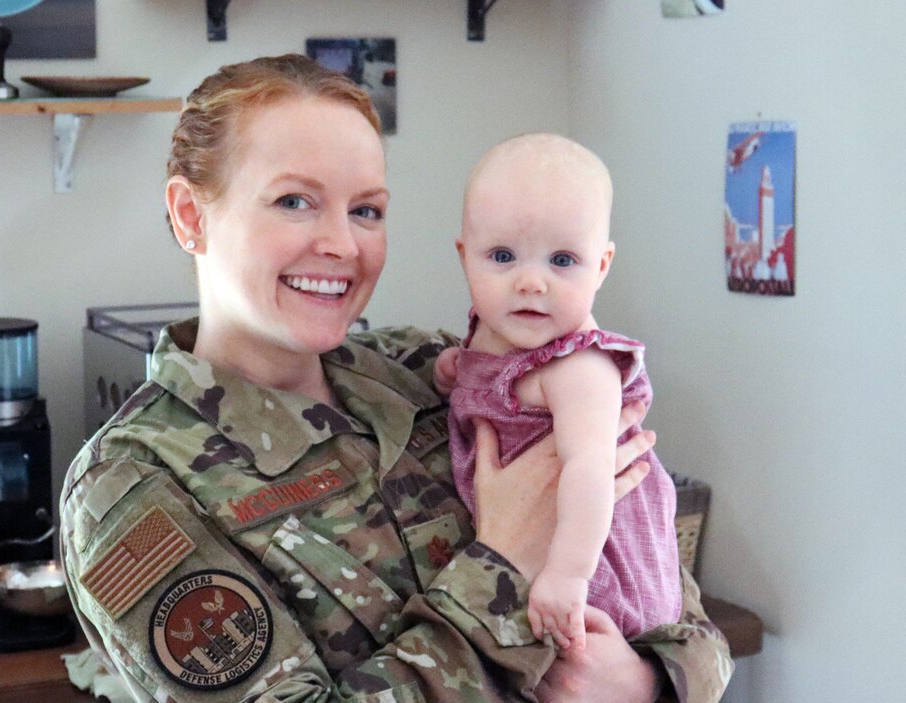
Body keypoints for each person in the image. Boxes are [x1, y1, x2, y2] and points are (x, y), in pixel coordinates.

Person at [59, 54, 732, 703]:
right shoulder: (130, 487)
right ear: (191, 215)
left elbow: (683, 609)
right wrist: (500, 561)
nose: (343, 245)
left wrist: (644, 682)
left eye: (367, 210)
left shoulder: (437, 373)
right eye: (294, 201)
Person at [435, 134, 682, 654]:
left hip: (592, 560)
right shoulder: (495, 328)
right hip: (519, 560)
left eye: (563, 260)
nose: (530, 281)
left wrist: (568, 575)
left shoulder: (579, 367)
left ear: (602, 265)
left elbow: (590, 471)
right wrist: (456, 371)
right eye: (502, 255)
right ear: (464, 257)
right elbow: (484, 381)